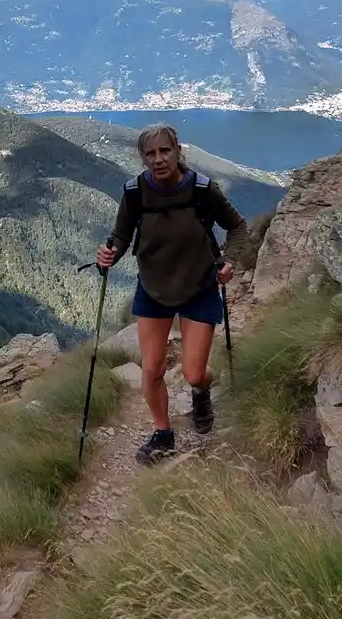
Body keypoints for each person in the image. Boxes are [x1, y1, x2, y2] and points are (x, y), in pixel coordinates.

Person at [95, 124, 249, 465]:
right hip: (153, 288)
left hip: (200, 286)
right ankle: (163, 434)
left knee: (194, 372)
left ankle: (201, 392)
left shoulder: (202, 189)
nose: (158, 159)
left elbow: (237, 226)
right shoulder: (135, 192)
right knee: (151, 369)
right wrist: (109, 253)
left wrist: (230, 260)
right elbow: (120, 235)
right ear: (142, 158)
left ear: (178, 151)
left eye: (165, 151)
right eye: (150, 154)